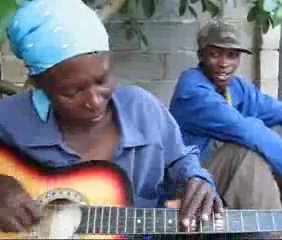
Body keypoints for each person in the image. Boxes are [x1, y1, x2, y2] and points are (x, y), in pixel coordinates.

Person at [0, 0, 223, 233]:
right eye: (72, 91)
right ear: (38, 83)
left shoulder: (142, 109)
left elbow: (179, 159)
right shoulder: (10, 119)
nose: (94, 101)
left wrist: (195, 178)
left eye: (102, 80)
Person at [170, 20, 282, 210]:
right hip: (194, 180)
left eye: (231, 55)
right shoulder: (192, 89)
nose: (224, 64)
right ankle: (273, 230)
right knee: (246, 153)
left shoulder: (236, 87)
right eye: (215, 54)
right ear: (201, 55)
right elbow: (246, 131)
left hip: (225, 174)